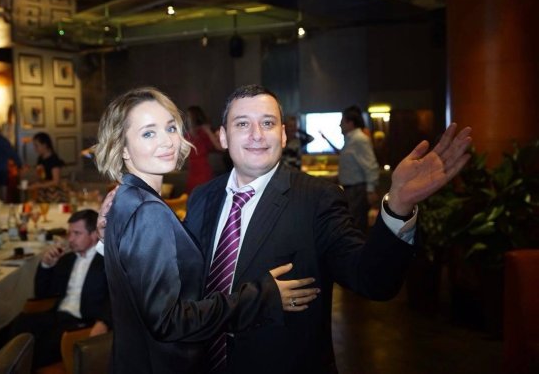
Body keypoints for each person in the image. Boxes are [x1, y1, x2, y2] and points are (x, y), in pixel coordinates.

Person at [182, 85, 472, 374]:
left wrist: (398, 205)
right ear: (223, 136)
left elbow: (372, 279)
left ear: (282, 135)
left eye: (267, 123)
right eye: (243, 124)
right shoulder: (201, 198)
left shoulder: (316, 198)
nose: (257, 134)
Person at [94, 87, 319, 374]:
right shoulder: (148, 211)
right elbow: (168, 322)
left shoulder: (125, 198)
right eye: (148, 133)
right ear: (123, 148)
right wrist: (259, 297)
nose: (167, 141)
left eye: (170, 128)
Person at [11, 209, 111, 368]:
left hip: (83, 322)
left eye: (77, 233)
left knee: (37, 349)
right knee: (16, 327)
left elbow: (118, 296)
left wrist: (104, 322)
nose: (70, 239)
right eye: (69, 233)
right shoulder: (67, 260)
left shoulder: (108, 261)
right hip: (58, 315)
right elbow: (43, 294)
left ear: (94, 234)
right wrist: (46, 266)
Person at [320, 105, 380, 231]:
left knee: (356, 225)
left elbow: (370, 166)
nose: (340, 125)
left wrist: (370, 190)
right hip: (352, 190)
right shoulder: (350, 139)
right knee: (354, 223)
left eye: (342, 122)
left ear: (350, 123)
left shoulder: (359, 139)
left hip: (357, 190)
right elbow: (344, 155)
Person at [185, 106, 224, 193]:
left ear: (194, 118)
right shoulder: (187, 135)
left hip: (203, 171)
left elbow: (221, 148)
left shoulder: (204, 133)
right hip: (192, 171)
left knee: (203, 195)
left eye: (189, 116)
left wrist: (208, 131)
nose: (187, 119)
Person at [28, 132, 67, 202]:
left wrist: (38, 185)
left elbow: (56, 181)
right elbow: (40, 176)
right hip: (43, 189)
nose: (34, 149)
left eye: (36, 146)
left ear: (44, 145)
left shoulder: (53, 160)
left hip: (53, 192)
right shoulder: (40, 159)